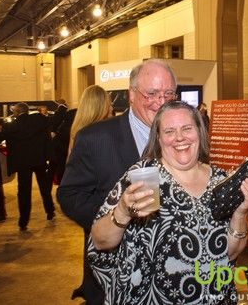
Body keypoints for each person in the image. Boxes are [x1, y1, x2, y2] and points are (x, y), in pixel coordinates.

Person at [88, 101, 248, 304]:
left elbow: (231, 254)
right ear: (159, 138)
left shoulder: (221, 181)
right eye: (169, 131)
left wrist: (241, 212)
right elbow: (100, 242)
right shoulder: (144, 176)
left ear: (200, 131)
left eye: (187, 128)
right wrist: (122, 211)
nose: (179, 137)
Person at [57, 59, 177, 304]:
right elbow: (69, 195)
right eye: (151, 93)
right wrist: (116, 217)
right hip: (114, 273)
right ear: (131, 94)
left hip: (171, 272)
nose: (161, 101)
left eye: (168, 93)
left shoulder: (184, 138)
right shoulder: (95, 138)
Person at [3, 102, 55, 231]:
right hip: (39, 160)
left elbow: (0, 136)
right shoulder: (39, 119)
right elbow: (51, 124)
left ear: (16, 112)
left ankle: (23, 221)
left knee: (24, 192)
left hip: (23, 163)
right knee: (44, 187)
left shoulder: (13, 125)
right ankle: (50, 211)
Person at [68, 85, 112, 153]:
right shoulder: (104, 134)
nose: (111, 109)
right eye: (109, 105)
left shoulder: (76, 130)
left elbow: (69, 160)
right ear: (99, 109)